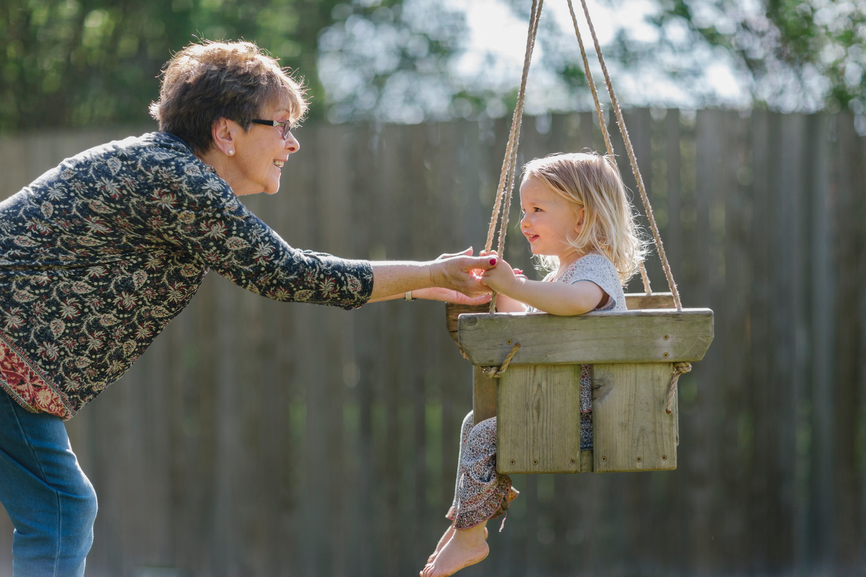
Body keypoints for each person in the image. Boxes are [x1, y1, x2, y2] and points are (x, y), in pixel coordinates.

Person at [0, 40, 496, 577]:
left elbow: (287, 267)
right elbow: (286, 273)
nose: (293, 142)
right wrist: (428, 272)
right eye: (280, 125)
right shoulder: (176, 180)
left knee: (60, 507)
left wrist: (416, 285)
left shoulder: (166, 173)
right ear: (225, 132)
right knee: (61, 509)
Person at [420, 151, 647, 577]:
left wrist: (518, 286)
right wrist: (502, 291)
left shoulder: (594, 271)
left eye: (537, 210)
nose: (525, 221)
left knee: (485, 432)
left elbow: (576, 304)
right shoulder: (565, 274)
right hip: (558, 406)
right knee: (477, 423)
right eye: (524, 210)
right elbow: (531, 327)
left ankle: (471, 534)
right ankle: (466, 523)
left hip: (591, 414)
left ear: (581, 218)